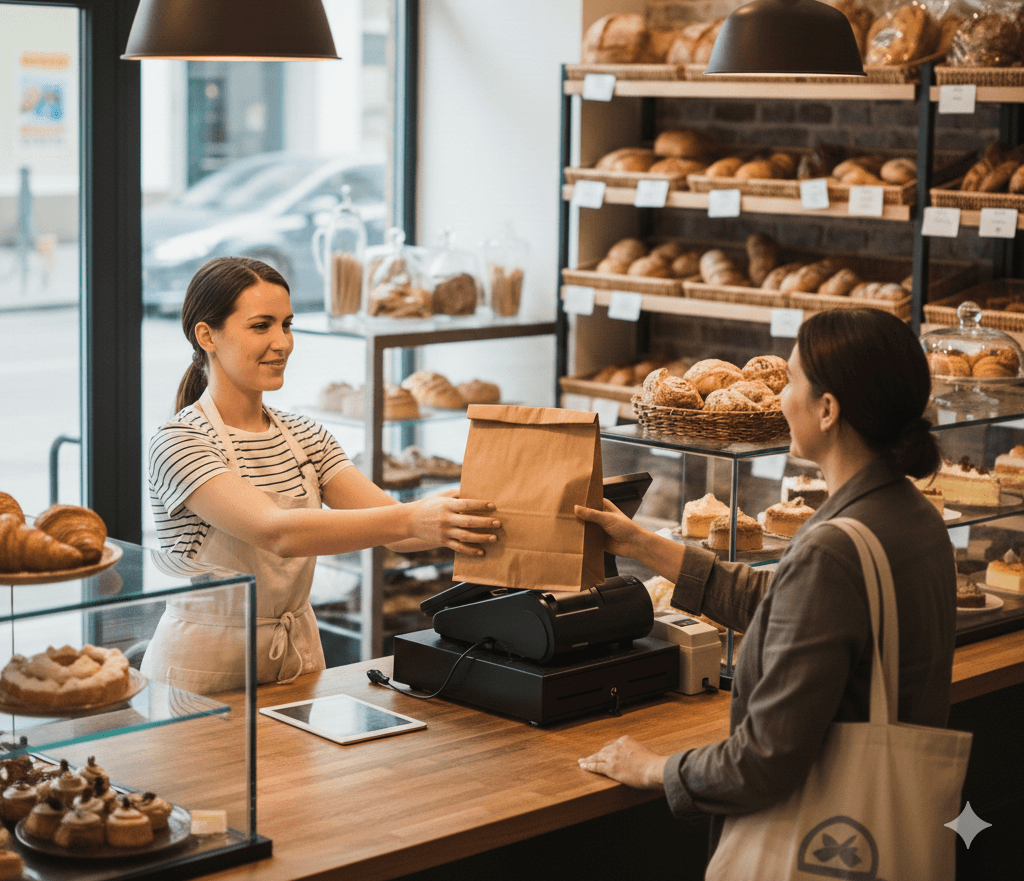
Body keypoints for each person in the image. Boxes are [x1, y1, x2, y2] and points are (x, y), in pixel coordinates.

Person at [574, 308, 955, 843]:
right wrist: (641, 544)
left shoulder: (834, 548)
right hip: (894, 828)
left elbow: (763, 760)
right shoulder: (914, 516)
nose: (779, 397)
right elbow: (784, 603)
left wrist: (654, 768)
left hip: (821, 843)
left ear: (827, 409)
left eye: (793, 381)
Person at [142, 256, 498, 693]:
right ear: (206, 335)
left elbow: (402, 535)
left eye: (287, 324)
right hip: (203, 668)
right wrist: (414, 516)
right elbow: (276, 532)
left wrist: (481, 503)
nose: (283, 343)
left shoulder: (304, 435)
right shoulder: (180, 441)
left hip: (298, 657)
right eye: (261, 326)